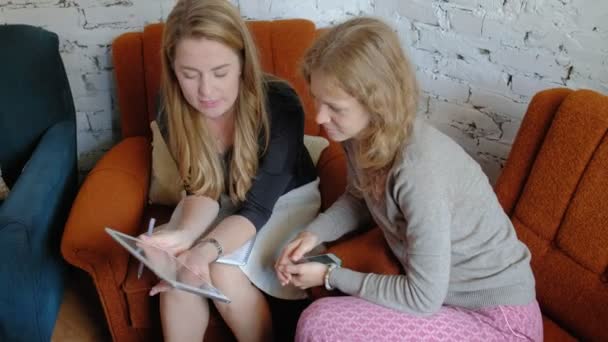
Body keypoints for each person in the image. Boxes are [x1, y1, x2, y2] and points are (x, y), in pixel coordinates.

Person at [275, 17, 543, 341]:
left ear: (378, 103)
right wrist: (313, 233)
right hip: (443, 299)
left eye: (335, 107)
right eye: (317, 99)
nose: (319, 117)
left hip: (498, 321)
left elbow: (421, 298)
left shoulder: (418, 173)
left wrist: (331, 275)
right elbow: (361, 198)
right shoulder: (358, 135)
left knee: (319, 323)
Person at [139, 0, 318, 341]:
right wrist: (185, 237)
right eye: (189, 75)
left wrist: (204, 250)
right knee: (180, 272)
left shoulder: (281, 104)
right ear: (173, 69)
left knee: (221, 269)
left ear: (242, 64)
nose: (205, 92)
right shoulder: (170, 104)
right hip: (221, 199)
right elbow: (202, 190)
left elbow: (256, 208)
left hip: (283, 199)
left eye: (220, 72)